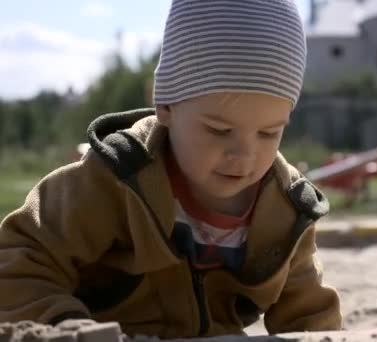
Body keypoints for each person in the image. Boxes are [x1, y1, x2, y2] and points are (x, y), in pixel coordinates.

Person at [0, 0, 342, 338]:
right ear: (165, 105)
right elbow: (20, 258)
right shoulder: (115, 179)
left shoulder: (286, 209)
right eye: (219, 130)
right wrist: (65, 324)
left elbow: (310, 316)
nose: (244, 155)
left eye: (269, 133)